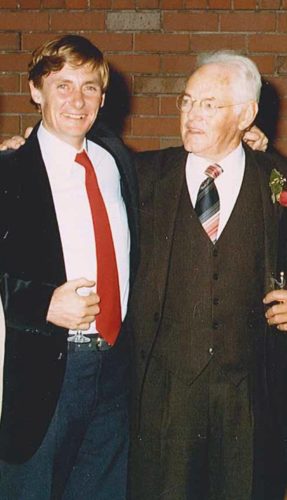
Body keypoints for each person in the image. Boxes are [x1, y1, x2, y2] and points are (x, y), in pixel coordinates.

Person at [127, 50, 287, 500]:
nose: (191, 115)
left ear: (247, 114)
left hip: (250, 395)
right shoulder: (141, 175)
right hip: (165, 397)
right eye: (186, 101)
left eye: (209, 105)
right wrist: (24, 146)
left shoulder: (278, 179)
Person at [0, 34, 138, 500]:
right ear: (36, 91)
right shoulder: (9, 172)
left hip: (117, 366)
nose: (78, 101)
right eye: (63, 86)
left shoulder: (114, 158)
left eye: (90, 88)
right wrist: (42, 302)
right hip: (46, 370)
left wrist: (245, 141)